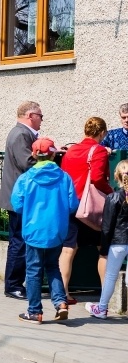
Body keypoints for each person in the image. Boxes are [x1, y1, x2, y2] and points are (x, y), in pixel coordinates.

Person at [11, 137, 77, 324]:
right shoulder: (64, 177)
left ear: (34, 154)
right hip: (57, 231)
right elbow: (73, 205)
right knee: (52, 266)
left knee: (33, 270)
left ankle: (34, 311)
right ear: (53, 154)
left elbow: (17, 205)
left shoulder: (25, 178)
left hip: (33, 231)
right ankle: (61, 303)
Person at [59, 117, 113, 302]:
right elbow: (98, 178)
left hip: (72, 205)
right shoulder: (98, 150)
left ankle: (63, 294)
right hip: (91, 208)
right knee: (104, 249)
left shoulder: (72, 150)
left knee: (68, 249)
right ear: (102, 133)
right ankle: (106, 296)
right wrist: (111, 192)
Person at [0, 101, 42, 299]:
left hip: (19, 197)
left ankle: (14, 283)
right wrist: (52, 157)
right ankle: (13, 285)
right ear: (30, 116)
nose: (41, 120)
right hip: (19, 199)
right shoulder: (21, 134)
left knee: (19, 241)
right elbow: (28, 163)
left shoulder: (22, 133)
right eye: (40, 116)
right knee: (19, 242)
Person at [86, 160, 128, 319]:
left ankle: (102, 309)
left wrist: (103, 248)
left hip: (117, 242)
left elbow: (107, 226)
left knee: (111, 276)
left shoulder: (114, 197)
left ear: (117, 176)